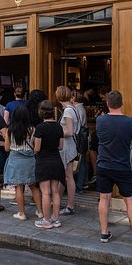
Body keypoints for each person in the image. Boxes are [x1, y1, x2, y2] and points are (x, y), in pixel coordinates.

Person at [96, 91, 132, 245]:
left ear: (107, 104)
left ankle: (104, 233)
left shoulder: (100, 120)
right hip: (122, 166)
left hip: (103, 165)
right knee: (129, 200)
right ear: (122, 103)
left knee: (104, 198)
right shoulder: (130, 122)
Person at [4, 105, 42, 220]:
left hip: (15, 160)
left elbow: (6, 148)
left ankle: (22, 213)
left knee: (18, 187)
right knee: (33, 186)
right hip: (29, 160)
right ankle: (40, 212)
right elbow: (36, 148)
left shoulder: (10, 130)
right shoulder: (32, 130)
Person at [33, 100, 65, 229]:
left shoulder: (40, 127)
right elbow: (61, 146)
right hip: (56, 160)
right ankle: (56, 219)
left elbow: (37, 148)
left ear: (41, 112)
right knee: (55, 192)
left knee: (45, 193)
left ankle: (46, 220)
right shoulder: (59, 127)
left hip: (44, 161)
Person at [56, 86, 79, 216]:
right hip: (69, 146)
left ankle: (70, 205)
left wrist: (57, 132)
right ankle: (57, 200)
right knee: (65, 176)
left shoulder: (67, 111)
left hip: (67, 146)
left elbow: (69, 132)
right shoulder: (72, 109)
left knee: (68, 176)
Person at [72, 89, 89, 194]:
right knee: (82, 161)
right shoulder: (81, 108)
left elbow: (76, 127)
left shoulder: (77, 109)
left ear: (74, 98)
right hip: (83, 137)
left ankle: (79, 185)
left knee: (79, 162)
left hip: (78, 137)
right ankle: (83, 183)